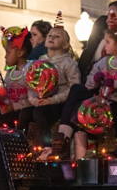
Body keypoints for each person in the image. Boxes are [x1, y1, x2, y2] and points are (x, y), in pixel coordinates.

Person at [51, 29, 117, 159]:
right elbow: (89, 86)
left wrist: (115, 84)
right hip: (103, 101)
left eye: (108, 42)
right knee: (76, 88)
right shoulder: (103, 62)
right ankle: (63, 138)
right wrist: (95, 79)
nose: (104, 45)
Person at [28, 15, 81, 158]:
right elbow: (31, 84)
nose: (51, 38)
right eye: (50, 35)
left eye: (57, 36)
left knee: (39, 113)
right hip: (42, 100)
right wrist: (34, 100)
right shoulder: (38, 63)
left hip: (60, 103)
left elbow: (74, 87)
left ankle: (48, 146)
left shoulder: (68, 64)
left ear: (65, 45)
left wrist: (53, 100)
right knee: (30, 112)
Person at [0, 26, 33, 129]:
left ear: (20, 53)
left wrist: (15, 106)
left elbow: (33, 97)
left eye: (8, 53)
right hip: (11, 109)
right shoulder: (9, 73)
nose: (5, 56)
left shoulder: (30, 70)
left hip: (24, 110)